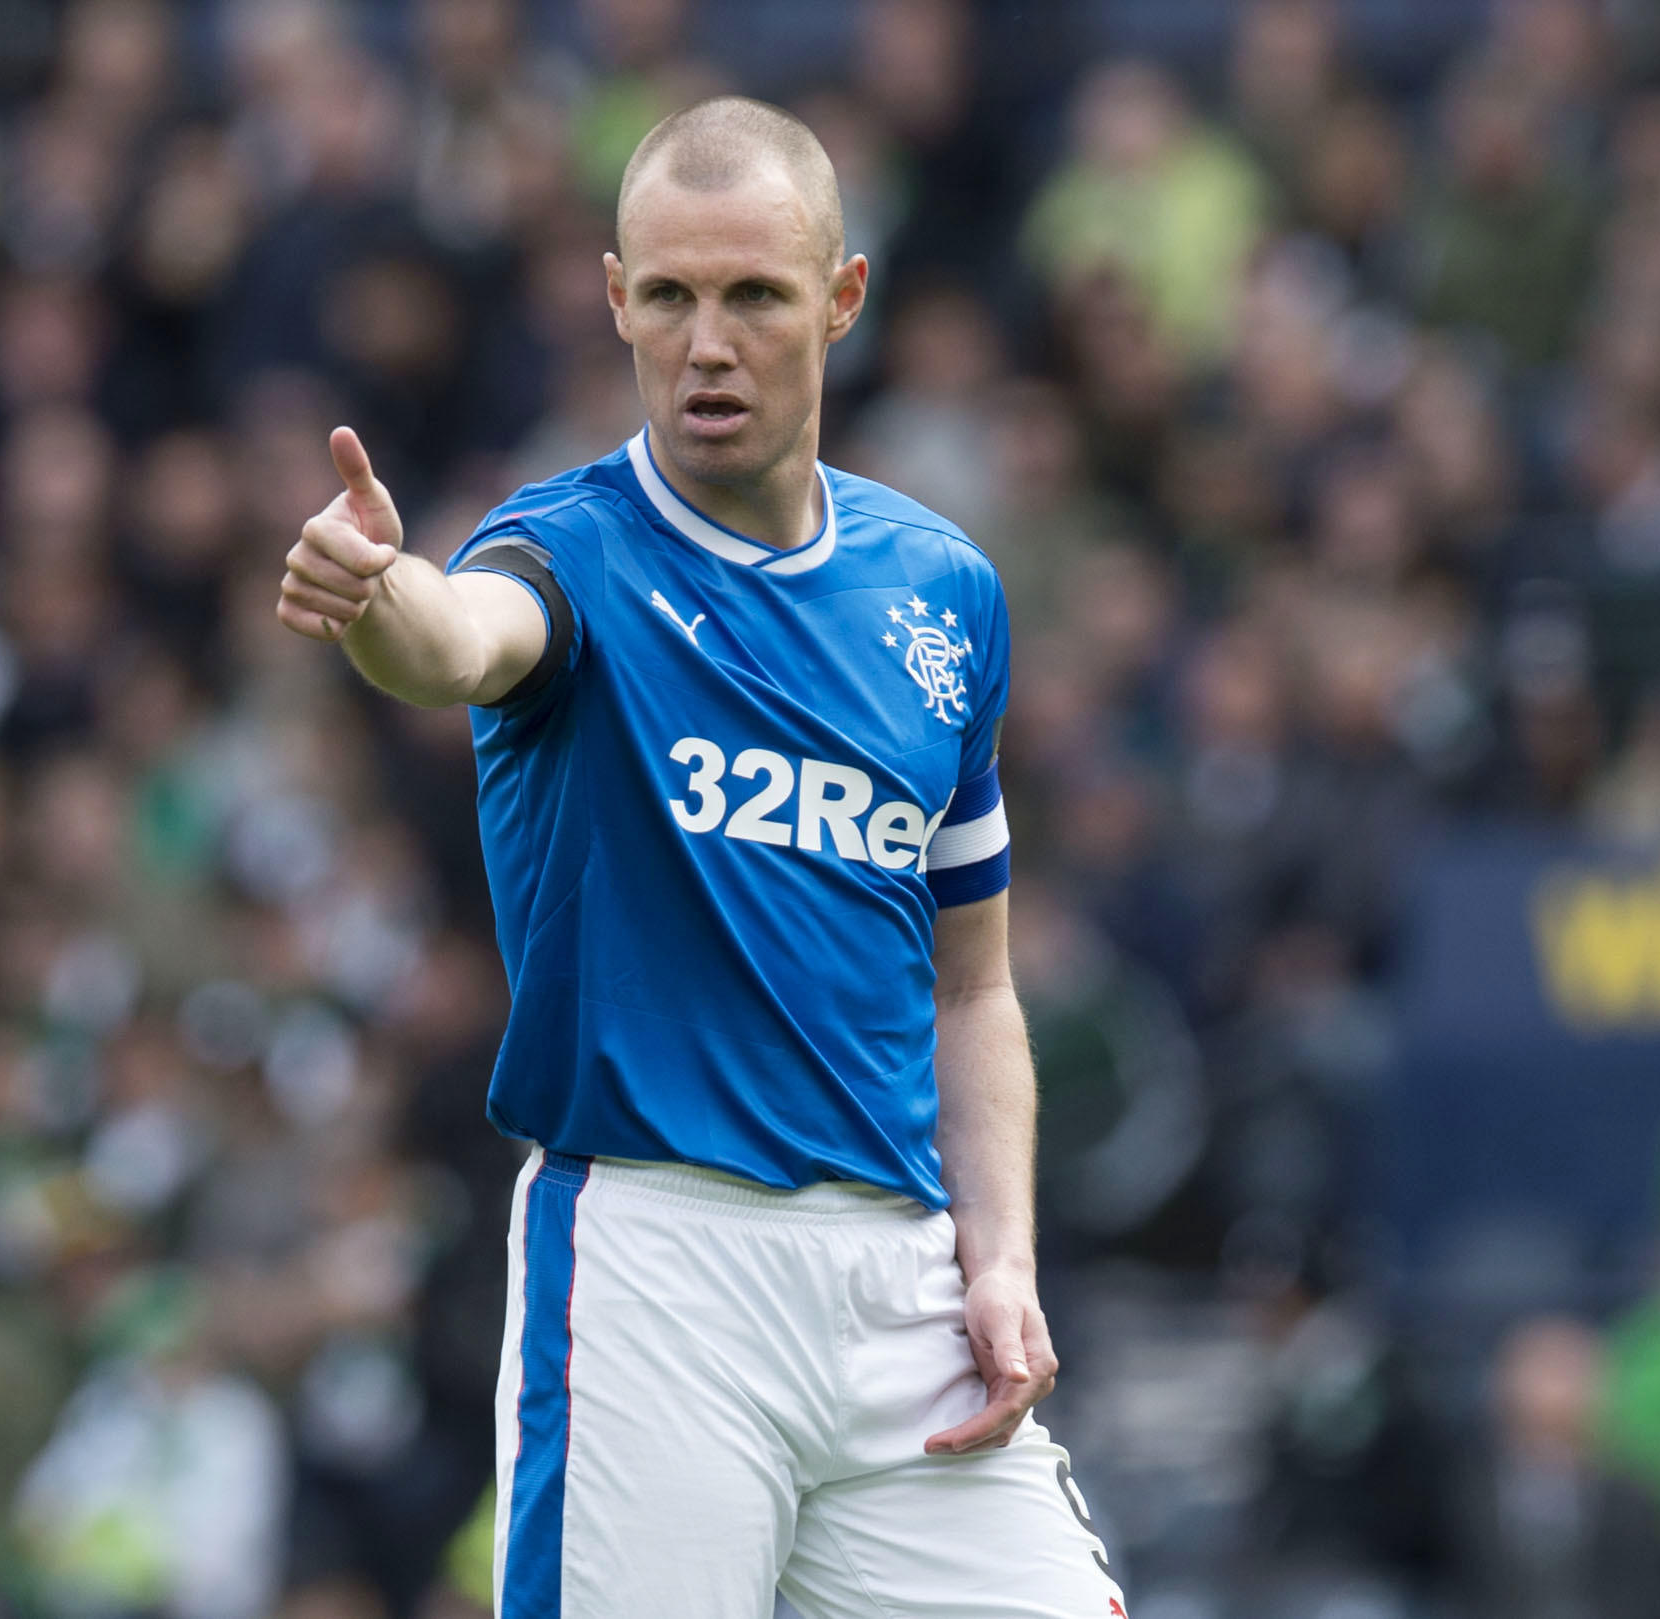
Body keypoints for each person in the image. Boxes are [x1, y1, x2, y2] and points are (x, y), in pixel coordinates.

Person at [276, 95, 1121, 1619]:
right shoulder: (570, 549)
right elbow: (461, 642)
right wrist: (376, 593)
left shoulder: (944, 596)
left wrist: (999, 1259)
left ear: (842, 299)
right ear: (613, 299)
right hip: (658, 1270)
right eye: (665, 296)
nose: (705, 342)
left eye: (753, 295)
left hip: (898, 1286)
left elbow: (972, 989)